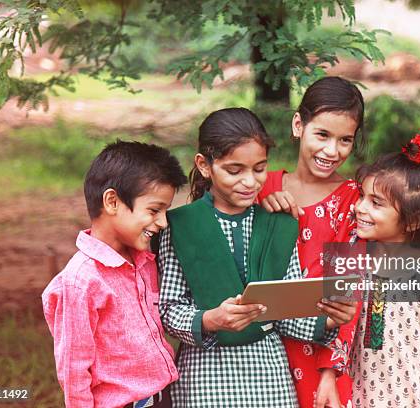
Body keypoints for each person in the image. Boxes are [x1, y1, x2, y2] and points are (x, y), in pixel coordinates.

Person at [158, 107, 357, 408]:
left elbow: (287, 310)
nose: (250, 182)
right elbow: (169, 310)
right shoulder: (180, 227)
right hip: (204, 375)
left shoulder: (277, 224)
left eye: (259, 169)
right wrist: (211, 319)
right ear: (204, 165)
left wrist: (328, 320)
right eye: (235, 170)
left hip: (269, 372)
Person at [42, 141, 187, 408]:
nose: (164, 222)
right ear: (112, 201)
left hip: (162, 398)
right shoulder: (80, 282)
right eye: (155, 210)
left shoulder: (145, 262)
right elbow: (74, 373)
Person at [257, 76, 365, 408]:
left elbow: (348, 292)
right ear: (298, 125)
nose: (332, 151)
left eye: (345, 140)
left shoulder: (351, 201)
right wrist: (262, 213)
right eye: (322, 135)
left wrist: (331, 372)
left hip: (320, 355)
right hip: (260, 354)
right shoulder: (262, 187)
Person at [350, 135, 420, 408]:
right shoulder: (353, 260)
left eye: (376, 203)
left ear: (412, 221)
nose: (359, 207)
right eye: (362, 196)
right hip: (354, 397)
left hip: (409, 399)